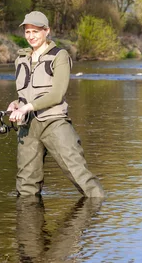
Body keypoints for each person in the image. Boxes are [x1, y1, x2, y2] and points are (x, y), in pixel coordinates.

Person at [7, 11, 104, 198]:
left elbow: (57, 94)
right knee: (26, 187)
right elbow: (24, 95)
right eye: (28, 32)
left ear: (47, 31)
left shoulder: (60, 56)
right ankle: (28, 225)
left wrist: (28, 107)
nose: (31, 36)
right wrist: (16, 105)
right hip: (27, 126)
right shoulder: (20, 59)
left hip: (54, 123)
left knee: (80, 175)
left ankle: (97, 217)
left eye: (36, 31)